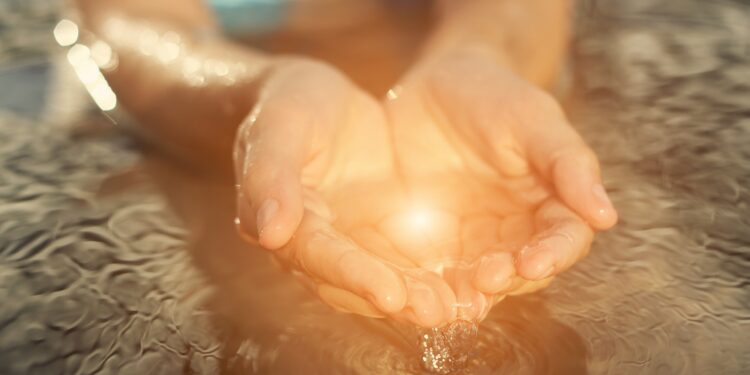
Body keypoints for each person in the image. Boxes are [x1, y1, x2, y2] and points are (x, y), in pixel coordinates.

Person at [72, 0, 618, 328]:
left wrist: (485, 53)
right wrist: (257, 96)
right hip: (233, 103)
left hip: (442, 94)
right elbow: (127, 22)